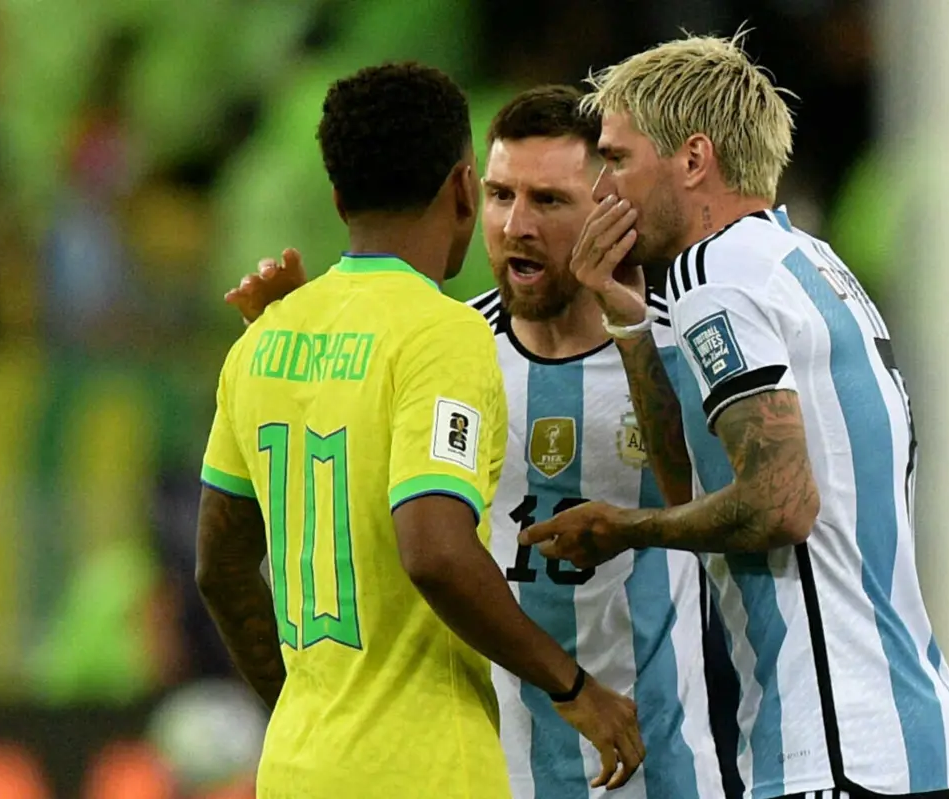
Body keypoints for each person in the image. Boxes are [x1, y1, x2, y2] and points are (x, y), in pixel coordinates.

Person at [227, 85, 728, 799]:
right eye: (500, 196)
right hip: (490, 768)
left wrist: (632, 335)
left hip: (657, 763)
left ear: (610, 208)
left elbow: (712, 516)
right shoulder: (442, 345)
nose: (516, 225)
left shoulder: (674, 340)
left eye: (549, 201)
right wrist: (297, 327)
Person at [519, 34, 949, 799]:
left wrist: (625, 528)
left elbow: (782, 500)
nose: (603, 190)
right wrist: (631, 326)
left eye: (619, 160)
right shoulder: (808, 263)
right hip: (912, 739)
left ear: (693, 160)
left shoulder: (714, 276)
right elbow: (701, 479)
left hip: (831, 750)